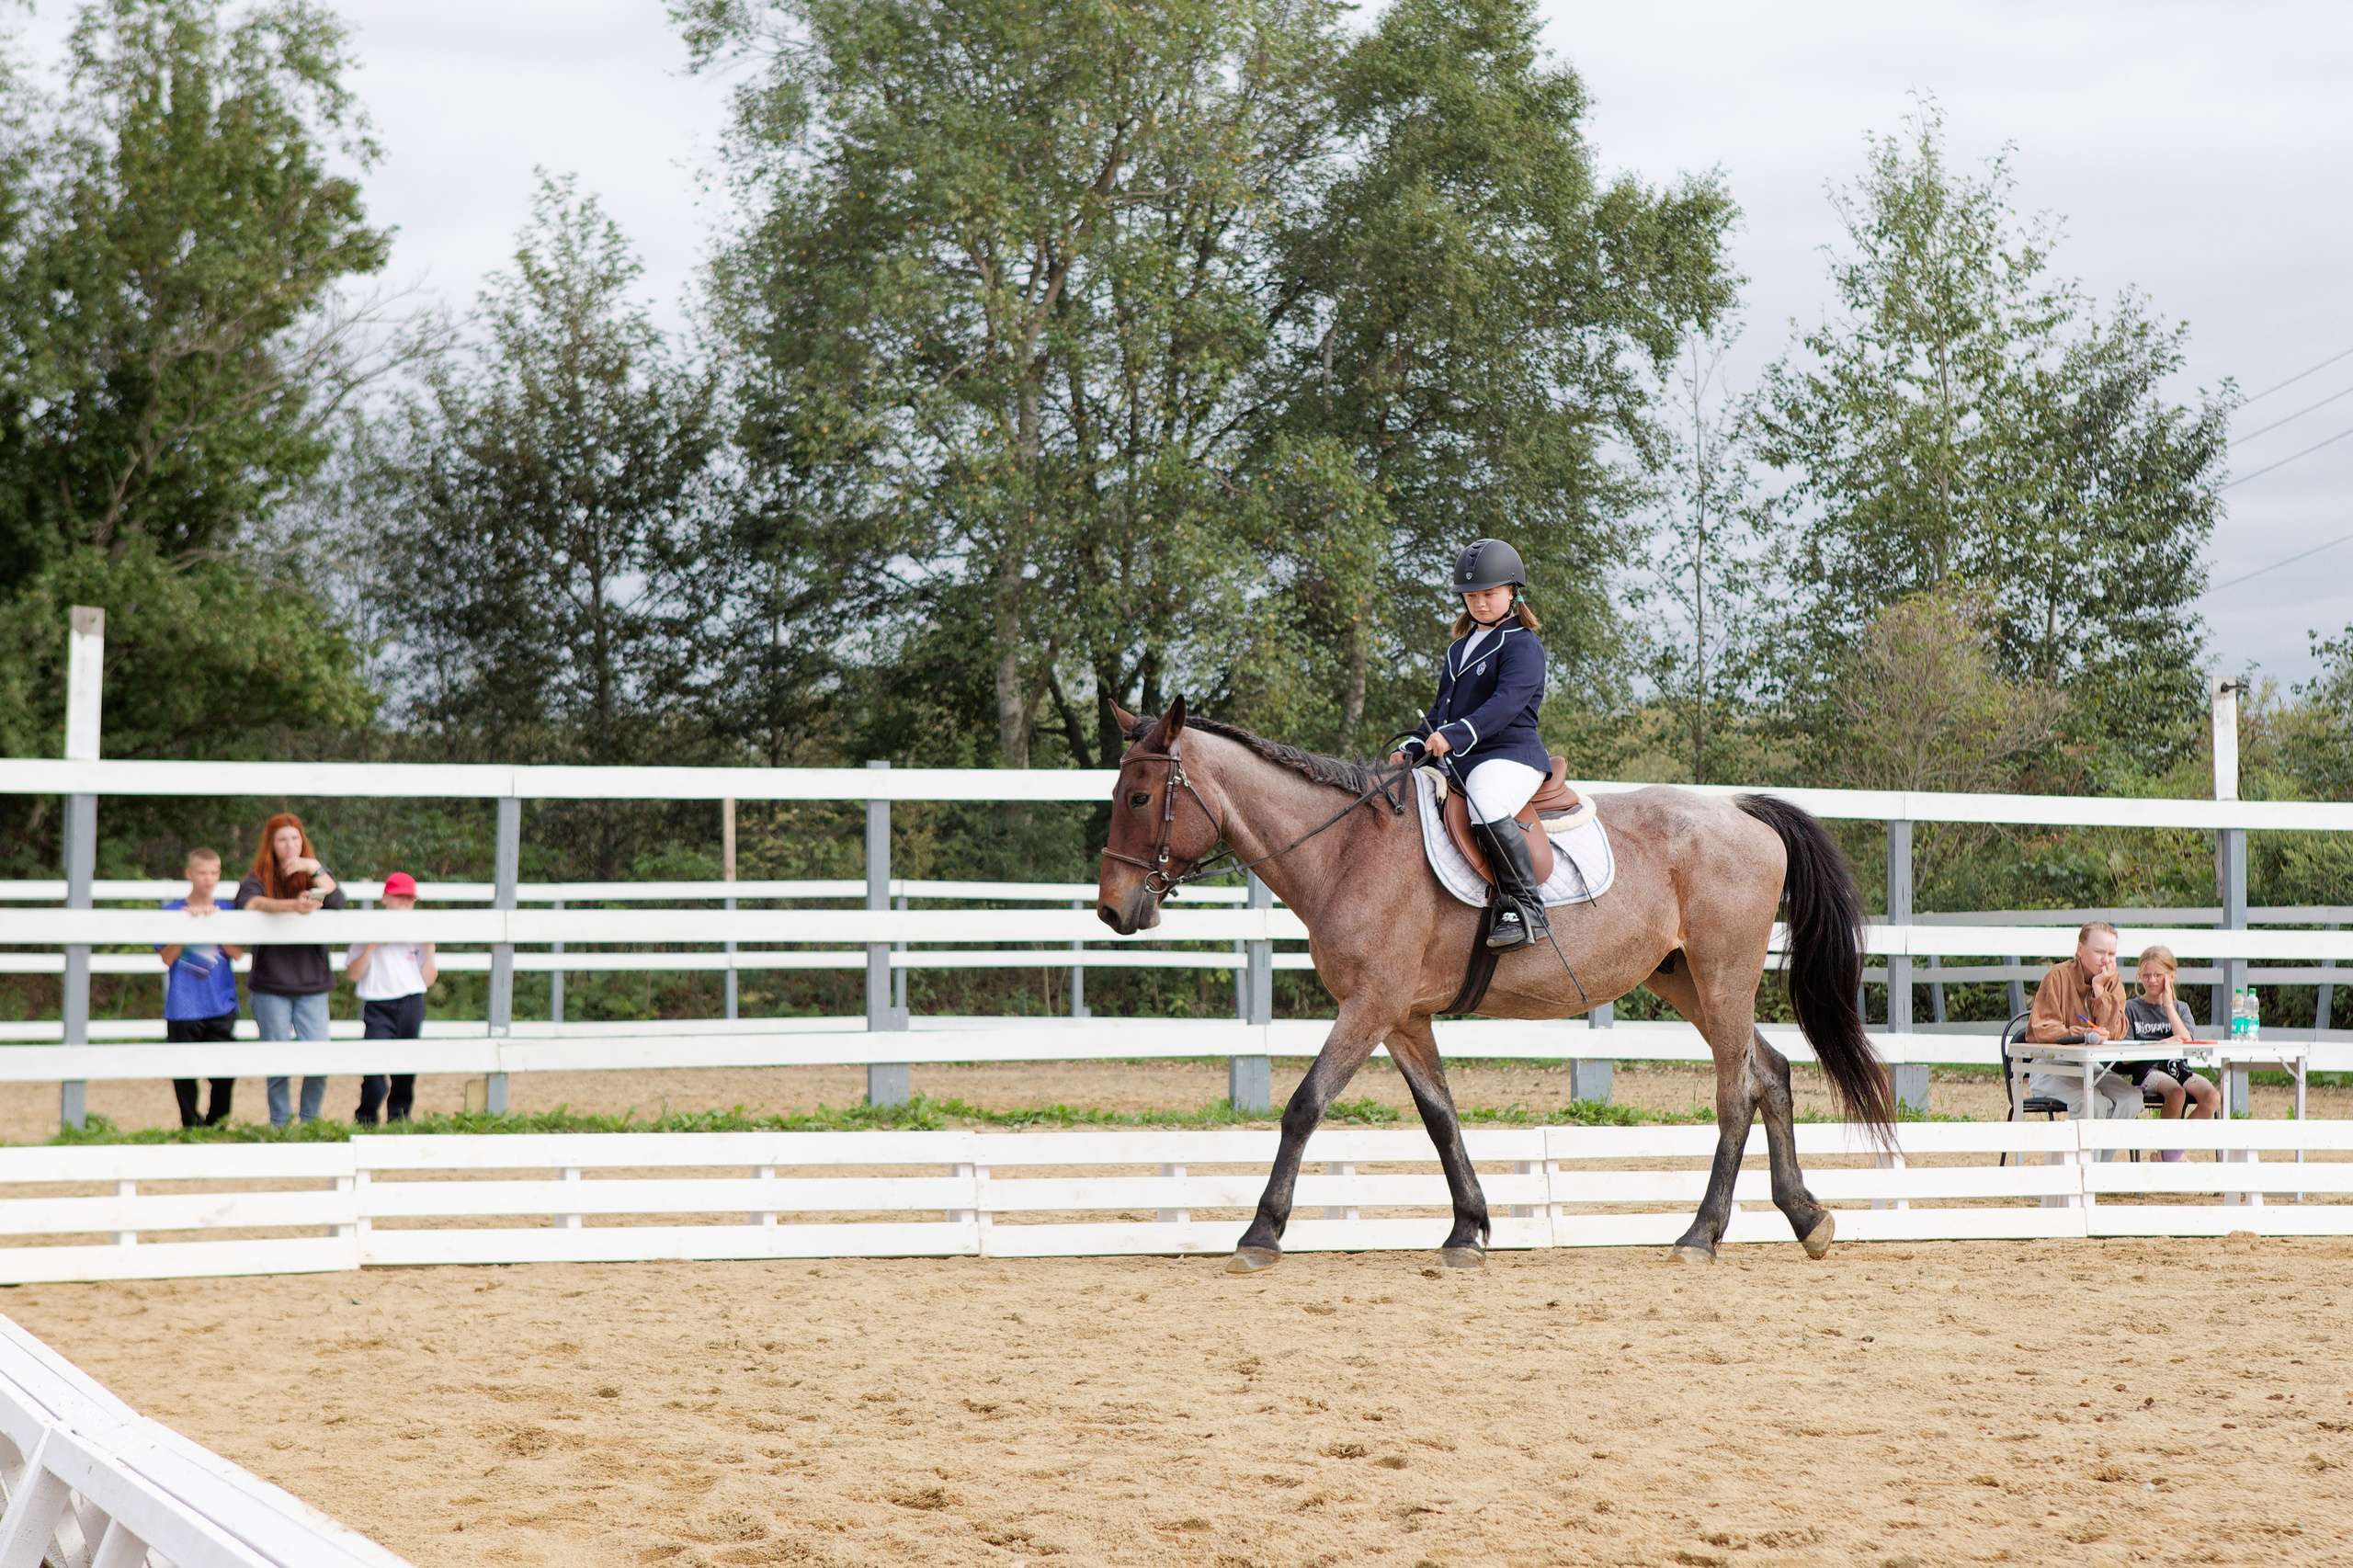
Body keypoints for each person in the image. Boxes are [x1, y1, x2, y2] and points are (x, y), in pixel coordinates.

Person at [1391, 539, 1553, 951]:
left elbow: (1505, 705)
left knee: (1486, 802)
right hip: (1464, 757)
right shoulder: (1459, 648)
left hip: (1510, 755)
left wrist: (1454, 735)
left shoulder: (1523, 644)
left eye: (1489, 594)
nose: (1479, 603)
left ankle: (1526, 907)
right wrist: (1413, 745)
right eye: (1472, 596)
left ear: (1512, 592)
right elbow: (1440, 709)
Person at [233, 812, 345, 1126]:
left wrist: (314, 868)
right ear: (272, 844)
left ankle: (310, 1121)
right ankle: (279, 1123)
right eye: (282, 839)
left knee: (318, 1059)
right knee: (277, 1060)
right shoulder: (257, 876)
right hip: (271, 984)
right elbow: (251, 904)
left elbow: (337, 900)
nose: (290, 845)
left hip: (313, 983)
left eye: (295, 838)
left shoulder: (314, 873)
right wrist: (291, 907)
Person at [2022, 921, 2140, 1121]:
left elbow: (2116, 1033)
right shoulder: (2058, 975)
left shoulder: (2112, 980)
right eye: (2099, 952)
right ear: (2080, 949)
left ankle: (2093, 1154)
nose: (2106, 960)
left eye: (2111, 954)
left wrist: (2099, 990)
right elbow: (2042, 1028)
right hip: (2051, 1067)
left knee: (2132, 1099)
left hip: (2091, 1066)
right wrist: (2082, 1034)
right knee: (2094, 1102)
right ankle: (2076, 1153)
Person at [158, 848, 242, 1128]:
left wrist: (213, 924)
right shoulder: (171, 911)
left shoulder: (228, 910)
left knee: (224, 1071)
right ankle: (191, 1126)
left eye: (214, 873)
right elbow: (167, 957)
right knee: (183, 1072)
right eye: (202, 873)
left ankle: (217, 1123)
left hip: (221, 1003)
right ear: (189, 874)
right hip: (183, 1006)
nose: (208, 879)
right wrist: (187, 927)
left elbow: (237, 952)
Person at [347, 871, 436, 1124]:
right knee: (374, 1072)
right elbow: (353, 973)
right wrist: (371, 946)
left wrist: (430, 948)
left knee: (405, 1071)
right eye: (400, 896)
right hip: (378, 1005)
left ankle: (400, 1120)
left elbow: (427, 979)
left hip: (411, 1003)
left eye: (410, 898)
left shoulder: (420, 930)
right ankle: (366, 1117)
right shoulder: (369, 930)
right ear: (385, 898)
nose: (406, 902)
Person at [2121, 944, 2221, 1160]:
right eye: (2146, 975)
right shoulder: (2131, 1008)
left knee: (2212, 1096)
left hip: (2177, 1067)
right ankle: (2170, 1157)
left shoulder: (2180, 1008)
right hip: (2147, 1070)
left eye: (2158, 975)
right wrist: (2162, 1045)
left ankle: (2170, 1155)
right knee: (2176, 1093)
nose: (2152, 980)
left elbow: (2187, 1042)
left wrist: (2168, 1004)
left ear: (2171, 976)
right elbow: (2126, 1054)